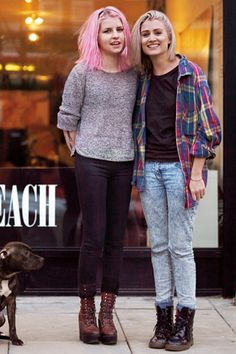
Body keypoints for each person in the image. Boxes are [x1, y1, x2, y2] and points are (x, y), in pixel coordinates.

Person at [131, 10, 221, 351]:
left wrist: (197, 172)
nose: (152, 37)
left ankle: (185, 321)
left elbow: (209, 130)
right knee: (158, 246)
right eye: (145, 33)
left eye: (157, 31)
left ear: (169, 37)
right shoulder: (142, 80)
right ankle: (163, 320)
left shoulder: (191, 74)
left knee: (180, 248)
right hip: (149, 170)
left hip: (181, 172)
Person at [57, 6, 137, 345]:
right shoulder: (82, 72)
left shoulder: (135, 74)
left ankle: (107, 311)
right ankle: (86, 310)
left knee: (116, 240)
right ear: (97, 36)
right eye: (108, 31)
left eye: (120, 29)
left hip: (124, 161)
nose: (116, 35)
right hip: (91, 160)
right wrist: (78, 149)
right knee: (94, 236)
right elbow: (67, 118)